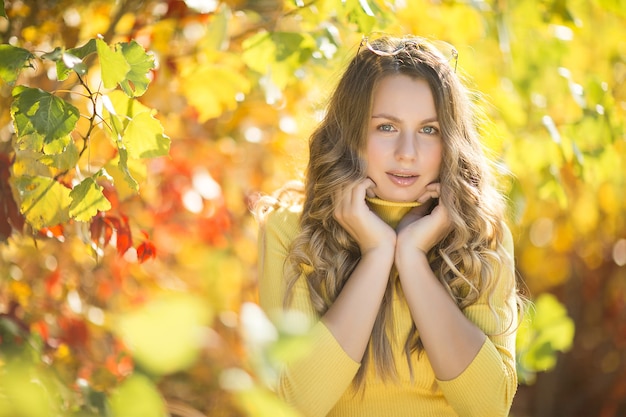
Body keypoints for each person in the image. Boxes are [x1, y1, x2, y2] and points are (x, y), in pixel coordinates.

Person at [255, 34, 525, 417]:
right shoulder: (290, 231)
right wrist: (378, 254)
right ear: (351, 131)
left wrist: (412, 259)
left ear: (450, 140)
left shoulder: (480, 235)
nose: (407, 153)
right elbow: (293, 405)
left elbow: (489, 407)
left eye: (429, 130)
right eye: (386, 127)